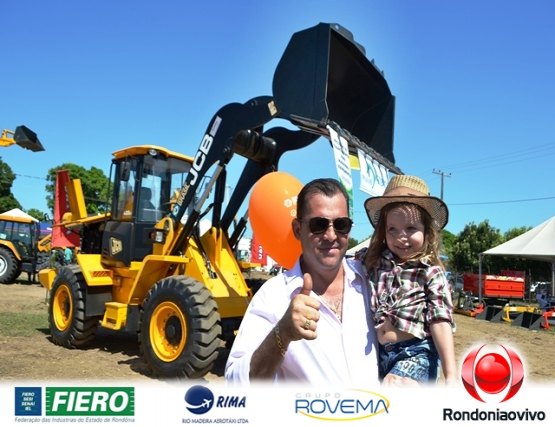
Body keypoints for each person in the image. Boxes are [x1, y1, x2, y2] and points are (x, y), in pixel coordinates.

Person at [225, 178, 380, 386]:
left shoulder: (372, 281)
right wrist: (283, 333)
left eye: (341, 225)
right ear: (298, 229)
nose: (331, 235)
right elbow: (237, 381)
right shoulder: (273, 296)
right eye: (319, 225)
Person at [362, 174, 456, 386]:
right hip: (377, 355)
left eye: (411, 228)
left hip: (416, 352)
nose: (401, 237)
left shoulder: (430, 271)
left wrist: (451, 374)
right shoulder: (373, 261)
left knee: (397, 388)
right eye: (392, 229)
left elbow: (440, 321)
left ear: (427, 231)